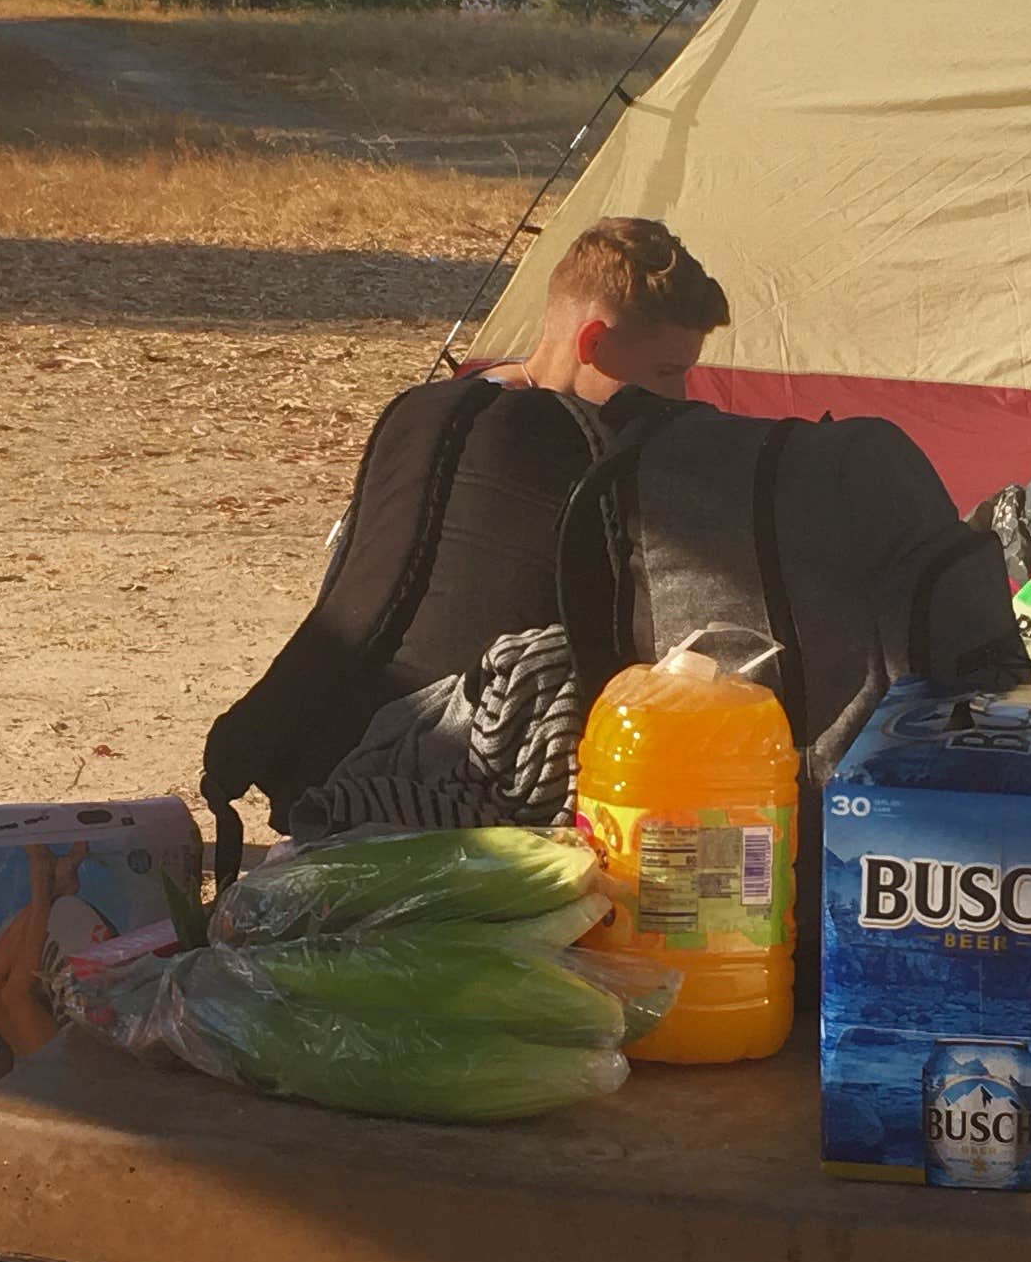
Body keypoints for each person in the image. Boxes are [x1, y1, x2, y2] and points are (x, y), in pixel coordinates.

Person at [192, 217, 730, 836]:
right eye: (666, 371)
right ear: (594, 343)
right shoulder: (557, 444)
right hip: (461, 775)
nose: (681, 394)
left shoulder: (438, 410)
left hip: (356, 765)